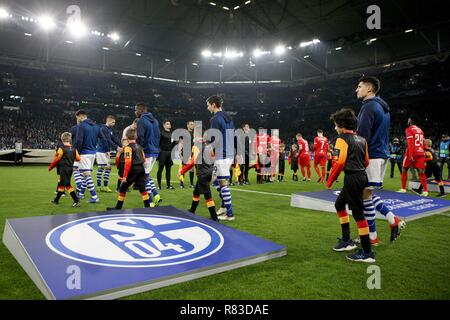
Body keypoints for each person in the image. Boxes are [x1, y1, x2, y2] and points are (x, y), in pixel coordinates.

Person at [356, 76, 405, 245]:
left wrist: (356, 157)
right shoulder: (384, 107)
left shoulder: (369, 106)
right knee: (367, 193)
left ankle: (372, 237)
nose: (357, 89)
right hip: (382, 154)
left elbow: (362, 136)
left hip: (372, 155)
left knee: (364, 196)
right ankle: (392, 220)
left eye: (360, 86)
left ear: (369, 89)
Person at [326, 108, 375, 263]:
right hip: (362, 176)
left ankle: (367, 252)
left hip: (352, 177)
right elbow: (366, 161)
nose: (334, 128)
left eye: (335, 125)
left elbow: (340, 162)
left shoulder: (342, 139)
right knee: (339, 204)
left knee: (358, 213)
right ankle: (347, 240)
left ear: (341, 125)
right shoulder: (362, 139)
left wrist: (330, 180)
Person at [178, 129, 219, 221]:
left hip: (203, 174)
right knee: (196, 192)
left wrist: (182, 171)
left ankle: (214, 218)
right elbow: (213, 158)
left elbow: (193, 161)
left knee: (208, 196)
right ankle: (192, 210)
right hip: (209, 171)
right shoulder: (209, 145)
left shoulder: (197, 146)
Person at [207, 95, 235, 221]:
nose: (207, 107)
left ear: (213, 104)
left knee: (222, 183)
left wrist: (205, 142)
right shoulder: (229, 118)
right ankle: (224, 207)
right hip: (229, 153)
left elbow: (214, 139)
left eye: (208, 105)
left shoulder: (215, 119)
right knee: (216, 180)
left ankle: (230, 214)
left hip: (221, 154)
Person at [107, 129, 151, 210]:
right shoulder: (140, 147)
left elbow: (128, 162)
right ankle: (147, 207)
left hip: (133, 169)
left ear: (127, 137)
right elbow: (144, 159)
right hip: (141, 169)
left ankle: (118, 207)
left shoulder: (128, 148)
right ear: (136, 137)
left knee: (123, 188)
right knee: (142, 189)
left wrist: (125, 176)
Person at [74, 110, 105, 203]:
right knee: (85, 174)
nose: (77, 119)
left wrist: (77, 153)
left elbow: (79, 141)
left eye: (77, 117)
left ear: (80, 116)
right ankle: (81, 193)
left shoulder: (81, 125)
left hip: (84, 153)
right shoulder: (96, 126)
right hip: (93, 153)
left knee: (86, 175)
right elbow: (103, 138)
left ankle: (95, 197)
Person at [135, 102, 162, 207]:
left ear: (140, 110)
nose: (135, 112)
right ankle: (156, 196)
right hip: (154, 152)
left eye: (136, 110)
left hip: (146, 151)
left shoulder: (142, 120)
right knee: (147, 175)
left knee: (144, 177)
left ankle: (150, 202)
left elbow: (140, 137)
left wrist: (138, 151)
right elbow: (158, 136)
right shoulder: (155, 121)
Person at [398, 115, 428, 196]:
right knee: (421, 172)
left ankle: (403, 188)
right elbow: (424, 142)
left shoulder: (409, 129)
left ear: (410, 120)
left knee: (404, 169)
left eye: (408, 119)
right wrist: (424, 151)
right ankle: (425, 191)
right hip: (420, 152)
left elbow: (410, 143)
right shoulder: (420, 130)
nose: (408, 120)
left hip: (412, 152)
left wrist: (410, 155)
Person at [48, 132, 80, 207]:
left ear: (62, 139)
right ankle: (56, 200)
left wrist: (50, 167)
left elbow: (56, 159)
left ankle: (76, 200)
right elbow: (78, 158)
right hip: (70, 168)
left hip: (63, 169)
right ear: (70, 139)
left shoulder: (61, 149)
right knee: (61, 185)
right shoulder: (74, 149)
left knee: (67, 185)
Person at [96, 115, 122, 193]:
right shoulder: (104, 129)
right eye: (113, 122)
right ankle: (103, 186)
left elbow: (113, 139)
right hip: (102, 151)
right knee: (106, 168)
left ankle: (100, 186)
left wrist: (121, 145)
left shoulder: (109, 129)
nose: (114, 123)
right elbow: (107, 140)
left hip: (103, 151)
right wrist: (117, 148)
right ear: (109, 121)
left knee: (103, 168)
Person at [157, 120, 175, 190]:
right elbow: (158, 143)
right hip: (162, 153)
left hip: (169, 153)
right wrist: (159, 152)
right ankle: (159, 185)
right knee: (160, 169)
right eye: (167, 124)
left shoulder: (172, 134)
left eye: (169, 124)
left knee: (168, 170)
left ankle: (168, 185)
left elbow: (173, 144)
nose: (169, 125)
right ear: (164, 125)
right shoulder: (161, 133)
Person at [182, 120, 196, 188]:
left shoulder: (195, 134)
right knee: (184, 168)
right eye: (190, 124)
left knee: (192, 168)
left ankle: (191, 183)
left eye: (193, 124)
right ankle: (182, 183)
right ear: (187, 125)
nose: (192, 126)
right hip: (185, 152)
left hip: (193, 152)